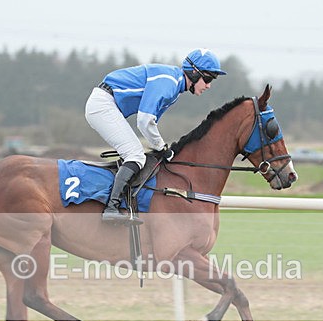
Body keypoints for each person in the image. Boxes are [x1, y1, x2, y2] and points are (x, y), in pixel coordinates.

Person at [85, 48, 226, 223]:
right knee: (135, 154)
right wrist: (161, 147)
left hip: (108, 104)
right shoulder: (169, 82)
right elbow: (145, 121)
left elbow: (149, 125)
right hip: (103, 104)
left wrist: (160, 147)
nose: (209, 85)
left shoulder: (175, 86)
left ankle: (121, 203)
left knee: (136, 154)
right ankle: (111, 208)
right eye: (208, 78)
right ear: (194, 73)